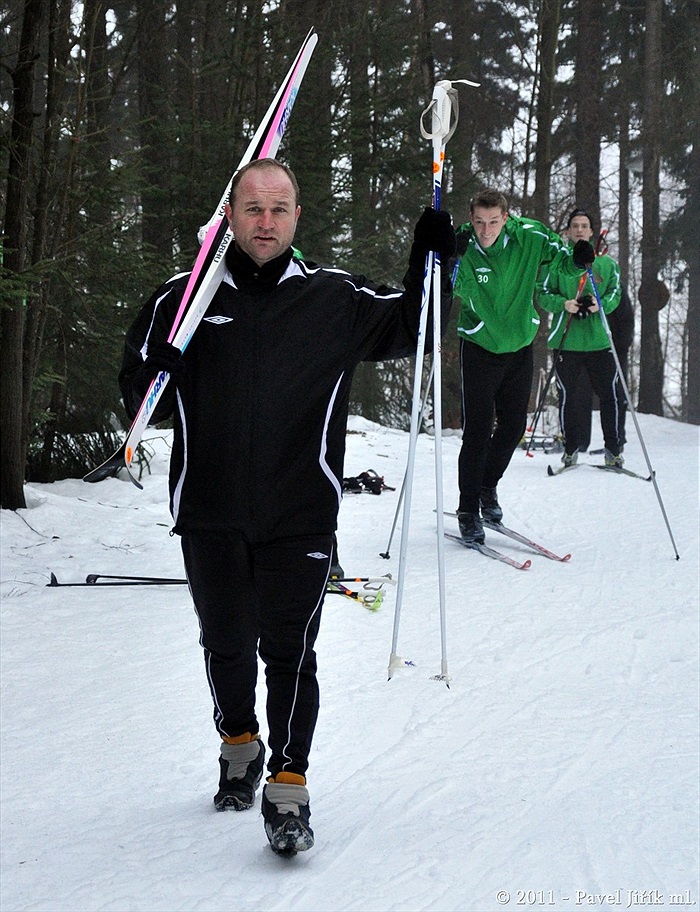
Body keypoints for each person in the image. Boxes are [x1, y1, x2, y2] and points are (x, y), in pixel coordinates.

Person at [118, 158, 454, 855]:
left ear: (298, 217)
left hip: (301, 509)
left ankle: (288, 786)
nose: (265, 222)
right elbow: (138, 396)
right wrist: (160, 370)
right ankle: (238, 744)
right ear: (230, 215)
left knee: (291, 652)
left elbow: (418, 324)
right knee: (227, 643)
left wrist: (431, 255)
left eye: (280, 208)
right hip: (210, 509)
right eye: (252, 208)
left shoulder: (334, 298)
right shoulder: (180, 300)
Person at [452, 188, 594, 544]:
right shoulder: (464, 246)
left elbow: (561, 260)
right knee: (478, 430)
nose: (487, 230)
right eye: (480, 222)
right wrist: (448, 259)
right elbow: (444, 286)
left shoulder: (529, 235)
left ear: (506, 217)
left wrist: (578, 258)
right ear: (472, 219)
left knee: (514, 425)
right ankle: (468, 509)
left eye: (494, 222)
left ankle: (487, 487)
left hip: (518, 345)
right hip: (480, 345)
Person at [537, 207, 624, 468]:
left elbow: (615, 294)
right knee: (569, 396)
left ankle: (613, 449)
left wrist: (600, 304)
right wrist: (564, 303)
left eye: (584, 225)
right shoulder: (555, 263)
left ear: (592, 231)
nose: (579, 230)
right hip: (567, 340)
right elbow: (542, 293)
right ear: (567, 231)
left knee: (610, 395)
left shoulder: (607, 264)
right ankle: (570, 448)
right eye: (574, 225)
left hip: (599, 341)